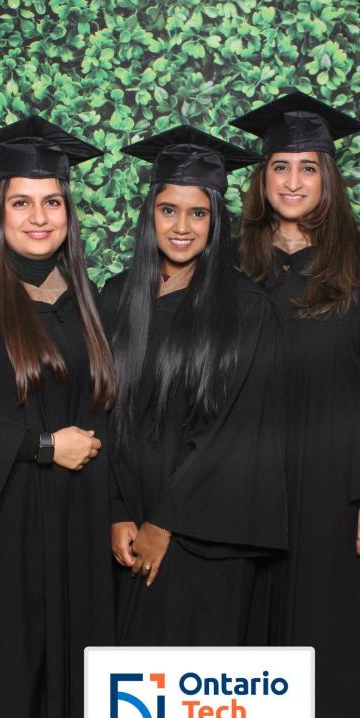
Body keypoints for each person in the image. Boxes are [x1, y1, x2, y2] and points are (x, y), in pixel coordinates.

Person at [232, 90, 360, 718]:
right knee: (247, 637)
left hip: (335, 487)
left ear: (328, 176)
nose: (292, 182)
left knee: (331, 639)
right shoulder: (232, 264)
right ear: (262, 177)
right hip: (246, 484)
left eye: (308, 167)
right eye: (279, 166)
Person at [0, 115, 117, 718]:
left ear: (68, 213)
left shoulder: (84, 302)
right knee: (12, 686)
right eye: (21, 202)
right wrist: (41, 446)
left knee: (87, 694)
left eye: (52, 202)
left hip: (82, 526)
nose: (39, 217)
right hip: (6, 529)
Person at [99, 125, 287, 645]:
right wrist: (117, 512)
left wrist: (166, 523)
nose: (181, 227)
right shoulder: (116, 299)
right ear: (150, 216)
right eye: (168, 210)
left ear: (216, 221)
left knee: (198, 677)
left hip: (206, 534)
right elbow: (99, 410)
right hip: (127, 529)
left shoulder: (246, 309)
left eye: (198, 213)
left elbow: (236, 431)